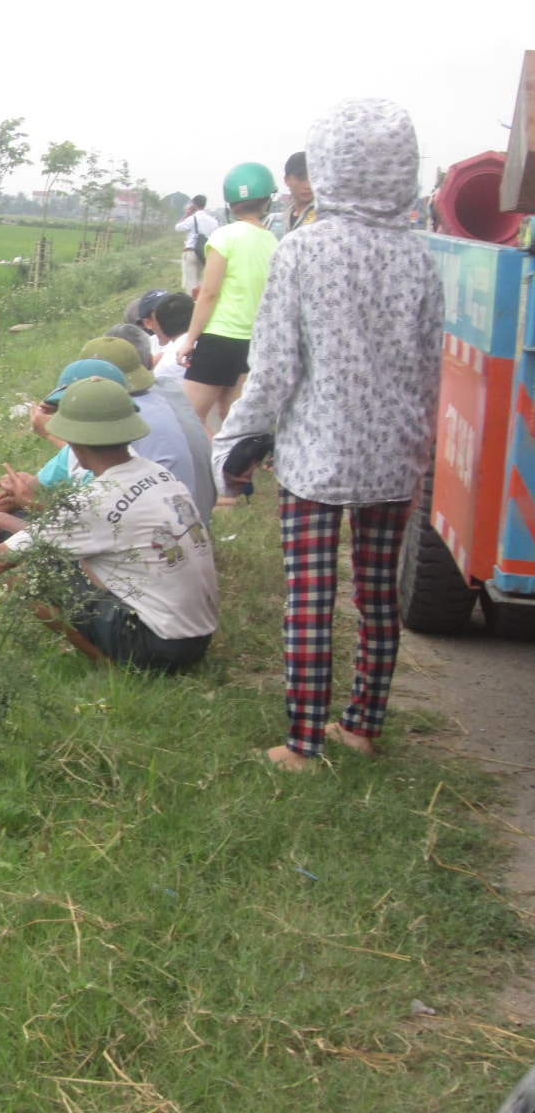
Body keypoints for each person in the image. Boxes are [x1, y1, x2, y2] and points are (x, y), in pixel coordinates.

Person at [212, 98, 445, 771]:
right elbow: (430, 366)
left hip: (317, 456)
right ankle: (363, 726)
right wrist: (419, 446)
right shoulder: (418, 257)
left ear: (330, 166)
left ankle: (303, 743)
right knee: (377, 599)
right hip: (394, 457)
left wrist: (236, 442)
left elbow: (276, 368)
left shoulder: (304, 251)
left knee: (310, 600)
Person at [0, 377, 218, 674]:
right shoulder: (155, 473)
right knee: (64, 558)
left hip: (158, 647)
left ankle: (113, 666)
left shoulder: (95, 500)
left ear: (75, 441)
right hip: (197, 637)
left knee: (27, 575)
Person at [0, 358, 127, 553]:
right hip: (89, 539)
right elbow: (33, 491)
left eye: (63, 409)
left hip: (103, 556)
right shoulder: (80, 449)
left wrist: (7, 517)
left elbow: (72, 535)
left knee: (13, 535)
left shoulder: (115, 457)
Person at [179, 163, 279, 430]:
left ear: (231, 204)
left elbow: (209, 293)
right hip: (250, 342)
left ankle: (213, 470)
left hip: (219, 338)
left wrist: (190, 339)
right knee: (232, 421)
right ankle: (234, 471)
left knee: (190, 416)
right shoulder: (272, 241)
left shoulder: (224, 236)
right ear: (267, 201)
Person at [97, 325, 217, 524]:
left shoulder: (122, 414)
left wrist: (52, 435)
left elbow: (85, 474)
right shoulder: (170, 389)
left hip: (167, 531)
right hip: (201, 519)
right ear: (151, 362)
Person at [175, 197, 219, 295]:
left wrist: (186, 214)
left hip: (191, 251)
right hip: (204, 252)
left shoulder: (192, 219)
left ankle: (192, 305)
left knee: (191, 282)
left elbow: (178, 227)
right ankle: (199, 301)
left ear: (193, 205)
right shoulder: (213, 220)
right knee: (199, 280)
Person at [282, 150, 316, 235]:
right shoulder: (285, 217)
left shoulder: (322, 213)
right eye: (301, 178)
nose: (308, 186)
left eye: (312, 178)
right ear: (287, 180)